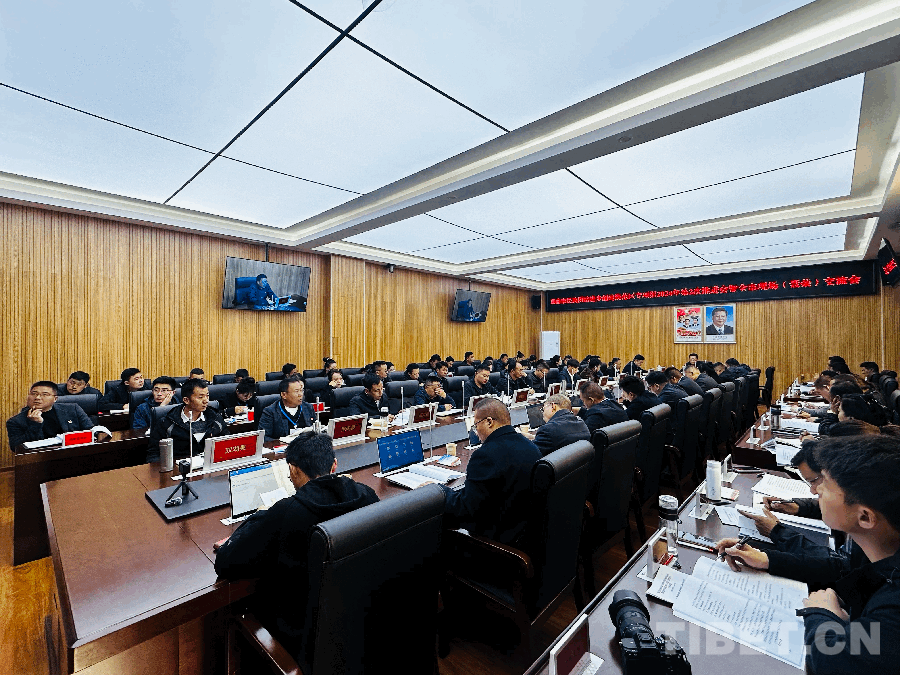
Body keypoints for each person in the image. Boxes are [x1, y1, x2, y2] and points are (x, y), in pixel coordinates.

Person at [718, 435, 900, 673]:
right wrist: (768, 559)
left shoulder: (893, 608)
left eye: (827, 484)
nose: (816, 490)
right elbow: (841, 568)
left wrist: (821, 615)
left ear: (865, 517)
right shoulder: (876, 550)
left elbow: (829, 664)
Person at [214, 431, 379, 663]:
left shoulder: (285, 512)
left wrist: (260, 517)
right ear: (334, 465)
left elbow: (226, 562)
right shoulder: (367, 496)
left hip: (300, 640)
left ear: (293, 470)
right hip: (357, 628)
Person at [440, 398, 541, 546]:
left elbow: (465, 510)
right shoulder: (531, 446)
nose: (476, 432)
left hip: (496, 546)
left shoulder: (485, 455)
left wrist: (440, 491)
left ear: (489, 422)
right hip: (525, 535)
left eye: (476, 425)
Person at [146, 379, 226, 462]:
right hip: (178, 467)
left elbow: (227, 444)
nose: (206, 401)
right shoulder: (166, 423)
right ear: (186, 400)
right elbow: (153, 455)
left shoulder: (215, 418)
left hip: (210, 465)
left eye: (207, 396)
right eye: (200, 397)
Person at [7, 380, 94, 449]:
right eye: (34, 394)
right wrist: (35, 424)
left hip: (73, 453)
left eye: (45, 394)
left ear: (55, 399)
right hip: (41, 459)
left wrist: (99, 432)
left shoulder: (73, 409)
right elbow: (16, 448)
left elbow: (91, 430)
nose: (37, 398)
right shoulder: (15, 421)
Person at [524, 394, 590, 456]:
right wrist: (533, 437)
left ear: (553, 406)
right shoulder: (581, 423)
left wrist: (522, 439)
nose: (543, 414)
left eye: (543, 409)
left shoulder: (547, 430)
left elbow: (530, 454)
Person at [259, 377, 314, 443]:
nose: (301, 394)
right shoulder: (270, 412)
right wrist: (281, 442)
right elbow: (263, 437)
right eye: (296, 391)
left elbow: (315, 429)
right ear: (284, 395)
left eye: (301, 390)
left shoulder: (308, 407)